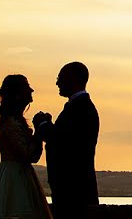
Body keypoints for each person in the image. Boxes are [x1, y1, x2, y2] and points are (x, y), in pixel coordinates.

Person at [0, 74, 52, 219]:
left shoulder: (14, 121)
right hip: (14, 179)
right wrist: (39, 131)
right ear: (17, 95)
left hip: (21, 175)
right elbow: (28, 154)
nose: (31, 91)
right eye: (27, 88)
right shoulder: (10, 124)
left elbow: (33, 155)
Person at [34, 61, 99, 219]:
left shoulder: (82, 108)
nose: (57, 82)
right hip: (71, 189)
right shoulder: (78, 107)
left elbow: (62, 141)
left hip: (74, 190)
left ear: (73, 79)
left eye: (60, 78)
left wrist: (42, 125)